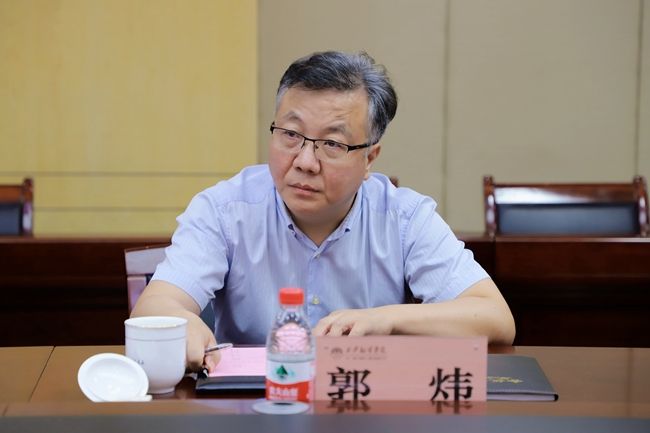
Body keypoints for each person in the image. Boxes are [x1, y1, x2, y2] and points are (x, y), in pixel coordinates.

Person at [131, 51, 515, 373]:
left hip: (364, 407)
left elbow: (494, 318)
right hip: (252, 407)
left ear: (370, 158)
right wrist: (182, 322)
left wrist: (384, 319)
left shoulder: (404, 218)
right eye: (290, 134)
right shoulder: (225, 210)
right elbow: (154, 305)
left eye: (332, 144)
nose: (305, 161)